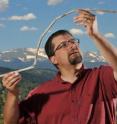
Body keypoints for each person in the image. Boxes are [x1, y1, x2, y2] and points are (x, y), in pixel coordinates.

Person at [2, 9, 117, 124]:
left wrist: (95, 35)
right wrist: (13, 94)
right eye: (63, 45)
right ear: (53, 59)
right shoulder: (40, 94)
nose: (72, 46)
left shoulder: (101, 77)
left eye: (73, 41)